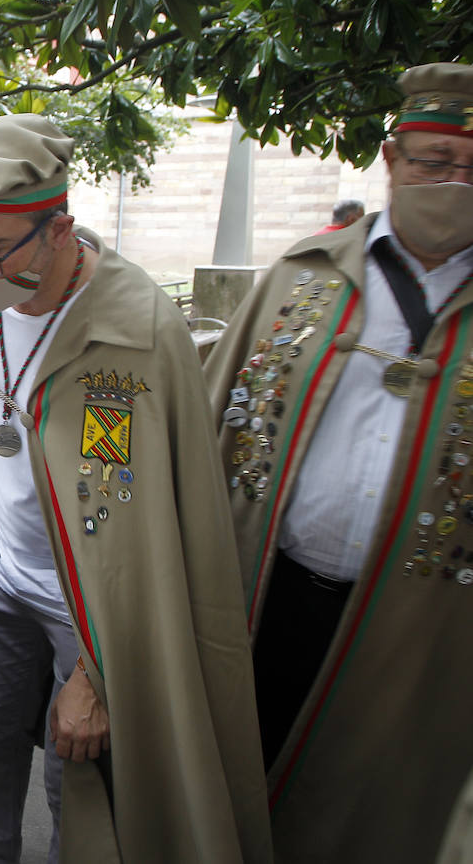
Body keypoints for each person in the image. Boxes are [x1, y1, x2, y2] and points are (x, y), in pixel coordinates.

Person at [0, 114, 270, 864]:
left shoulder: (136, 328)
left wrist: (96, 672)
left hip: (91, 609)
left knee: (75, 769)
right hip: (2, 581)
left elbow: (145, 536)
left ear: (59, 227)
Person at [203, 61, 473, 863]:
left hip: (421, 633)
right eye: (433, 161)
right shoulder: (302, 277)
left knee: (364, 813)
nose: (452, 183)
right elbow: (210, 427)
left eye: (472, 168)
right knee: (232, 787)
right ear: (391, 160)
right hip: (264, 593)